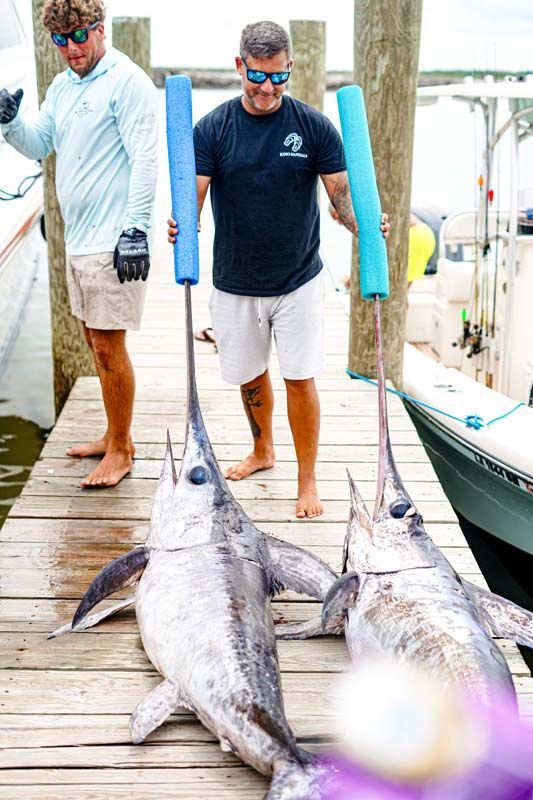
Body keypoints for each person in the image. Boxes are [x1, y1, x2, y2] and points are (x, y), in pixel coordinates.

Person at [168, 20, 389, 518]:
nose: (268, 89)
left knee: (299, 378)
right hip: (235, 281)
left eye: (278, 77)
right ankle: (263, 448)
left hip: (299, 279)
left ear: (290, 68)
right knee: (249, 378)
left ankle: (307, 480)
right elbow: (194, 199)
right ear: (239, 66)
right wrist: (183, 225)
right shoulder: (213, 128)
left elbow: (339, 197)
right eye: (258, 76)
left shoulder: (313, 127)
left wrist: (366, 227)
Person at [0, 0, 158, 488]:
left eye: (80, 35)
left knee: (110, 347)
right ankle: (112, 434)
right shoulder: (62, 86)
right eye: (61, 40)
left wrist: (136, 230)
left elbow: (147, 159)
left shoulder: (126, 81)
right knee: (94, 341)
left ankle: (123, 448)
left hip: (114, 241)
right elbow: (39, 143)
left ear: (99, 27)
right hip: (78, 240)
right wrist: (8, 122)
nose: (72, 48)